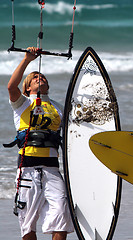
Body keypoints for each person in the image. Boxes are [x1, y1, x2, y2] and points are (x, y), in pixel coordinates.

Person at [7, 47, 74, 240]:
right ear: (28, 87)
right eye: (35, 78)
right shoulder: (22, 103)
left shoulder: (59, 108)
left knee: (62, 218)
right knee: (28, 227)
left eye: (42, 77)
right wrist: (27, 60)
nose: (40, 78)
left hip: (53, 171)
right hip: (27, 169)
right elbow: (11, 87)